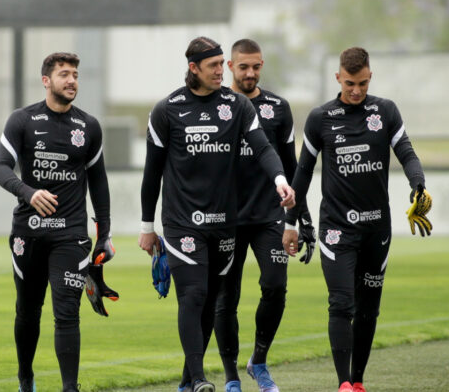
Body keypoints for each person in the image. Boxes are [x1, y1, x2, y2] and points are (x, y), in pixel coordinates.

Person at [138, 36, 295, 392]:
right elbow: (152, 174)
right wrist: (148, 226)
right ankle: (197, 379)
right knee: (192, 295)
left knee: (210, 300)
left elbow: (263, 147)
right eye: (213, 66)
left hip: (225, 224)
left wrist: (280, 180)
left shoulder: (237, 105)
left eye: (223, 64)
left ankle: (184, 382)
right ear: (193, 68)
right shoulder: (167, 110)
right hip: (182, 223)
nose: (220, 72)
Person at [282, 47, 430, 392]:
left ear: (370, 77)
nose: (356, 91)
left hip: (377, 228)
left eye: (362, 83)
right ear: (338, 78)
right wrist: (290, 223)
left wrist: (418, 185)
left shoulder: (386, 111)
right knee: (341, 303)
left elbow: (406, 153)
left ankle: (359, 381)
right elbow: (302, 174)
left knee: (368, 309)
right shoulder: (321, 118)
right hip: (336, 229)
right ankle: (343, 383)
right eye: (350, 83)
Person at [0, 52, 114, 392]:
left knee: (67, 310)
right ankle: (25, 378)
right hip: (27, 234)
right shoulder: (22, 120)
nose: (72, 80)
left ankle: (69, 388)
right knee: (28, 312)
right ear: (46, 80)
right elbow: (0, 168)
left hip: (70, 235)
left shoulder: (88, 126)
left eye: (75, 74)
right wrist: (28, 193)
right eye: (64, 74)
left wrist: (104, 234)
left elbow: (99, 183)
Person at [213, 39, 316, 392]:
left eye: (256, 66)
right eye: (243, 67)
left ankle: (258, 361)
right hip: (225, 220)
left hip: (270, 216)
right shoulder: (216, 106)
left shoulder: (277, 108)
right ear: (229, 67)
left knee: (275, 286)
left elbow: (292, 168)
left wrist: (302, 219)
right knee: (226, 297)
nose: (250, 73)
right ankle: (230, 377)